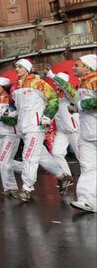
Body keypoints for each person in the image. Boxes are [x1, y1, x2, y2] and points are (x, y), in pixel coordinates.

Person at [9, 58, 70, 202]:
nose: (16, 69)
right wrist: (11, 113)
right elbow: (14, 107)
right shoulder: (15, 88)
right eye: (16, 67)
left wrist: (47, 116)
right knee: (42, 156)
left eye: (19, 67)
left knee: (29, 156)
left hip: (36, 126)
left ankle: (26, 189)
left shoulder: (39, 83)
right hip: (23, 127)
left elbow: (54, 100)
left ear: (27, 69)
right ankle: (63, 176)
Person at [56, 54, 96, 213]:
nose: (74, 67)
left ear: (87, 67)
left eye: (77, 65)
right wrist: (74, 107)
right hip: (86, 134)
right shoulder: (82, 84)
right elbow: (77, 105)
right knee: (87, 168)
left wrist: (79, 105)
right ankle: (88, 201)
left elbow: (86, 104)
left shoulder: (95, 80)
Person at [45, 71, 80, 181]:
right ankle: (67, 177)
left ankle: (90, 179)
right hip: (62, 130)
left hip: (72, 129)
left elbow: (67, 87)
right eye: (54, 81)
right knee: (56, 153)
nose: (55, 83)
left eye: (57, 81)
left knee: (81, 156)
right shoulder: (55, 95)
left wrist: (53, 76)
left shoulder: (70, 93)